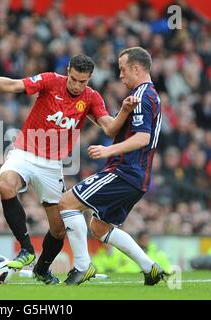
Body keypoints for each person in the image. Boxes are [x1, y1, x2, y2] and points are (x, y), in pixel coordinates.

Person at [0, 54, 139, 284]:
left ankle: (42, 269)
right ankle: (26, 249)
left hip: (53, 165)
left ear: (90, 78)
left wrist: (124, 111)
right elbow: (15, 85)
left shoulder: (91, 98)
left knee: (58, 229)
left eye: (82, 81)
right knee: (6, 184)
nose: (77, 85)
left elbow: (110, 128)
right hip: (24, 152)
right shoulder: (50, 80)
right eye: (73, 79)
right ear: (68, 71)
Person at [59, 47, 169, 286]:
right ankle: (150, 268)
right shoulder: (150, 95)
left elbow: (142, 138)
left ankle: (82, 267)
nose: (120, 75)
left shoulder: (142, 96)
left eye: (123, 69)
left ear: (137, 69)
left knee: (66, 203)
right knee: (98, 227)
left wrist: (108, 150)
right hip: (137, 179)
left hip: (124, 172)